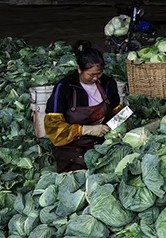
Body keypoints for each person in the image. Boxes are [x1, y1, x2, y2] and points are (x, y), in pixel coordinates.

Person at [44, 41, 120, 173]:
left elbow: (117, 112)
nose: (96, 78)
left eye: (99, 73)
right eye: (91, 74)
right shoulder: (64, 88)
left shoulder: (108, 83)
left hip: (103, 141)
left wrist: (118, 127)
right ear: (79, 69)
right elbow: (53, 129)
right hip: (71, 147)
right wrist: (85, 130)